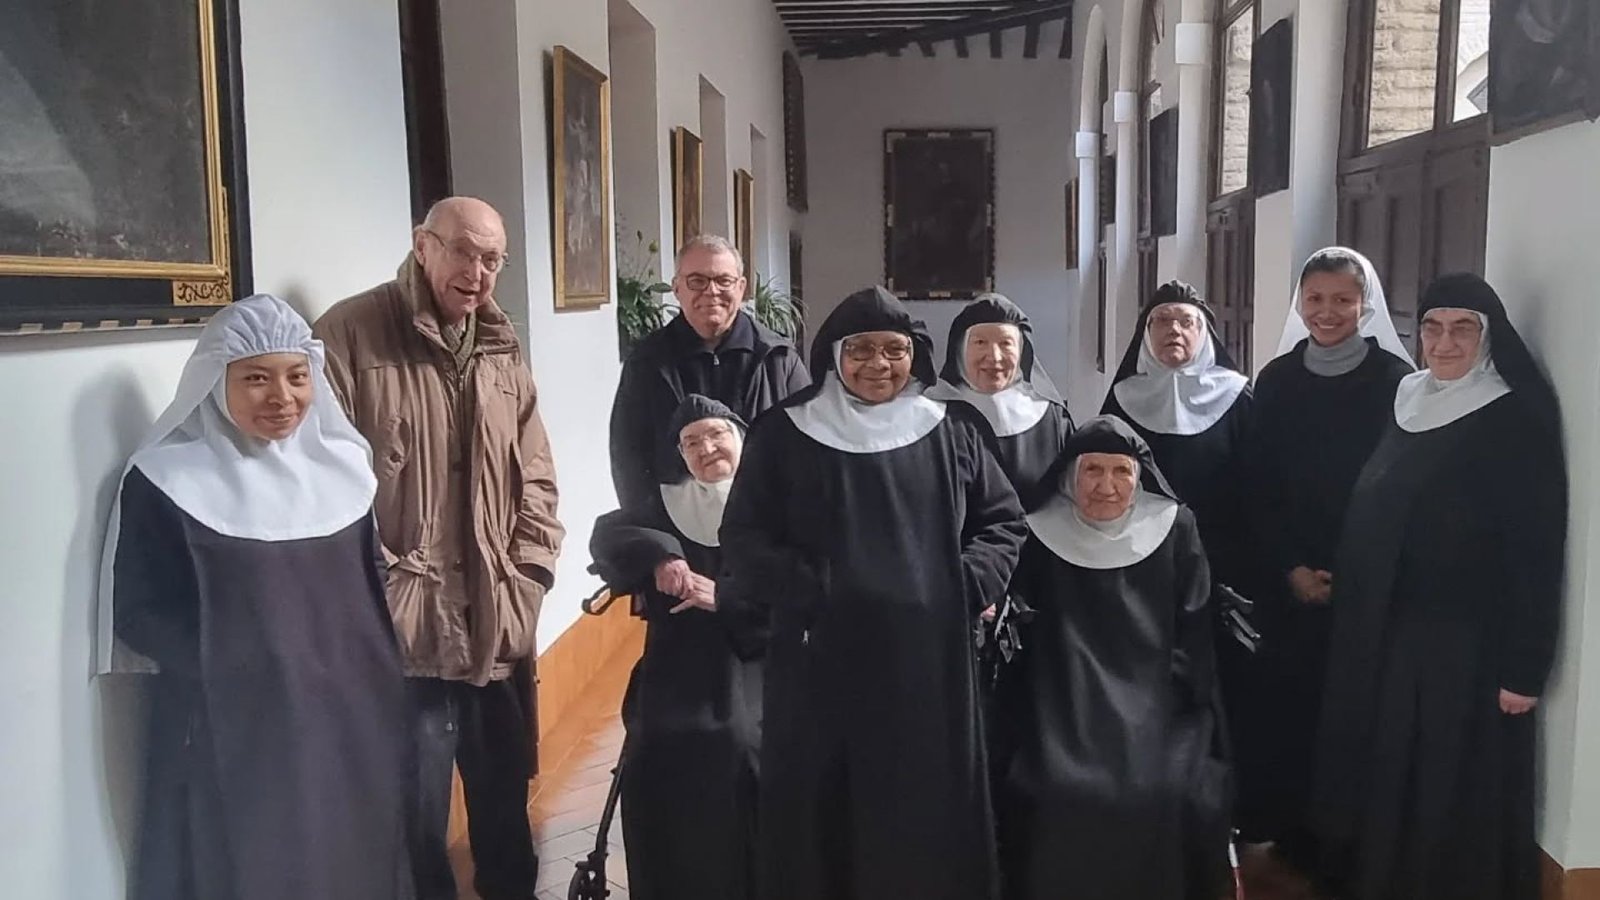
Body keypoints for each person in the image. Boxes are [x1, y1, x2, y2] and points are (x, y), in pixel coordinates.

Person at [719, 286, 1028, 900]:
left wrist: (960, 585)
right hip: (819, 659)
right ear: (834, 355)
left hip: (927, 659)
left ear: (915, 354)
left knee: (921, 805)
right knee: (823, 808)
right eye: (860, 350)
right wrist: (811, 587)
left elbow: (1003, 522)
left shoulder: (951, 429)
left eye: (894, 349)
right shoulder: (784, 433)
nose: (879, 364)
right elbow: (744, 537)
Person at [99, 294, 409, 900]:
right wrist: (236, 662)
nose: (282, 397)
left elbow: (369, 581)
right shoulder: (165, 480)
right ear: (216, 382)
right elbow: (137, 610)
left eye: (297, 377)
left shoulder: (345, 469)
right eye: (256, 379)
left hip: (349, 722)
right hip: (233, 728)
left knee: (352, 860)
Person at [314, 196, 565, 900]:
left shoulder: (500, 343)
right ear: (422, 246)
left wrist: (530, 572)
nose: (477, 273)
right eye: (462, 252)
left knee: (505, 811)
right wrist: (374, 591)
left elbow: (537, 471)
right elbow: (323, 484)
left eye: (492, 260)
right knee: (413, 821)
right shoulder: (349, 334)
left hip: (495, 616)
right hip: (404, 631)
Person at [1311, 274, 1565, 900]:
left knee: (1444, 782)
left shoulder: (1514, 414)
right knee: (1391, 773)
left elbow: (1536, 546)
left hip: (1465, 644)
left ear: (1489, 337)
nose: (1444, 343)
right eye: (1432, 327)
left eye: (1462, 329)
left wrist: (1525, 668)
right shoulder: (1410, 396)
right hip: (1388, 632)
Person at [998, 415, 1230, 900]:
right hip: (1060, 701)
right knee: (1056, 785)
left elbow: (1193, 637)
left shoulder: (1174, 527)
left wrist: (1170, 708)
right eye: (1093, 470)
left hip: (1158, 702)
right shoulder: (1038, 533)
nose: (1106, 486)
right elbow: (1023, 639)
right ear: (1070, 475)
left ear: (1140, 477)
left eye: (1121, 471)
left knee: (1165, 788)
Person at [1239, 248, 1414, 858]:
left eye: (1343, 299)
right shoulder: (1276, 380)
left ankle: (1352, 844)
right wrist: (1291, 567)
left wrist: (1356, 568)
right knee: (1291, 706)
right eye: (1315, 299)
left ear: (1366, 304)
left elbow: (1401, 488)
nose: (1328, 311)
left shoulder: (1396, 381)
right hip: (1289, 577)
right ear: (1299, 303)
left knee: (1357, 712)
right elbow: (1257, 486)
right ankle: (1292, 832)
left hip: (1370, 578)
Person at [589, 395, 760, 900]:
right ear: (679, 456)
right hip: (679, 659)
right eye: (691, 443)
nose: (706, 449)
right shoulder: (665, 503)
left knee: (739, 743)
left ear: (741, 439)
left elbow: (804, 584)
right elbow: (610, 534)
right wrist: (661, 554)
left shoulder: (775, 501)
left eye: (717, 435)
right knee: (655, 749)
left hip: (756, 652)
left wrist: (726, 598)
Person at [609, 234, 809, 510]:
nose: (711, 291)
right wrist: (653, 533)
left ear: (741, 288)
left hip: (766, 521)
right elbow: (628, 458)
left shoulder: (779, 358)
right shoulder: (647, 362)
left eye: (723, 280)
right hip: (676, 525)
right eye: (697, 281)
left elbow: (808, 451)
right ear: (677, 288)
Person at [927, 292, 1074, 499]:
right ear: (960, 350)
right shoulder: (933, 416)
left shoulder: (1052, 418)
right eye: (980, 342)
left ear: (1021, 350)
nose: (994, 357)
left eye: (1006, 343)